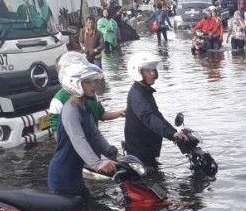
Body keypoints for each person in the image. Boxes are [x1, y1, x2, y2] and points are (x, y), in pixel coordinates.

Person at [47, 63, 118, 199]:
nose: (93, 85)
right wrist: (97, 163)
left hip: (75, 175)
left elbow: (96, 136)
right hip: (63, 178)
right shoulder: (70, 110)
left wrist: (115, 155)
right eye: (87, 82)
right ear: (74, 84)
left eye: (93, 81)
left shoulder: (84, 107)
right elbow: (78, 139)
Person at [123, 53, 187, 167]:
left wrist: (173, 132)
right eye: (147, 71)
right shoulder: (137, 94)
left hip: (147, 149)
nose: (152, 73)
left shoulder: (144, 91)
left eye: (153, 70)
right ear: (138, 72)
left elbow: (157, 116)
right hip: (140, 152)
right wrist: (171, 134)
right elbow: (149, 118)